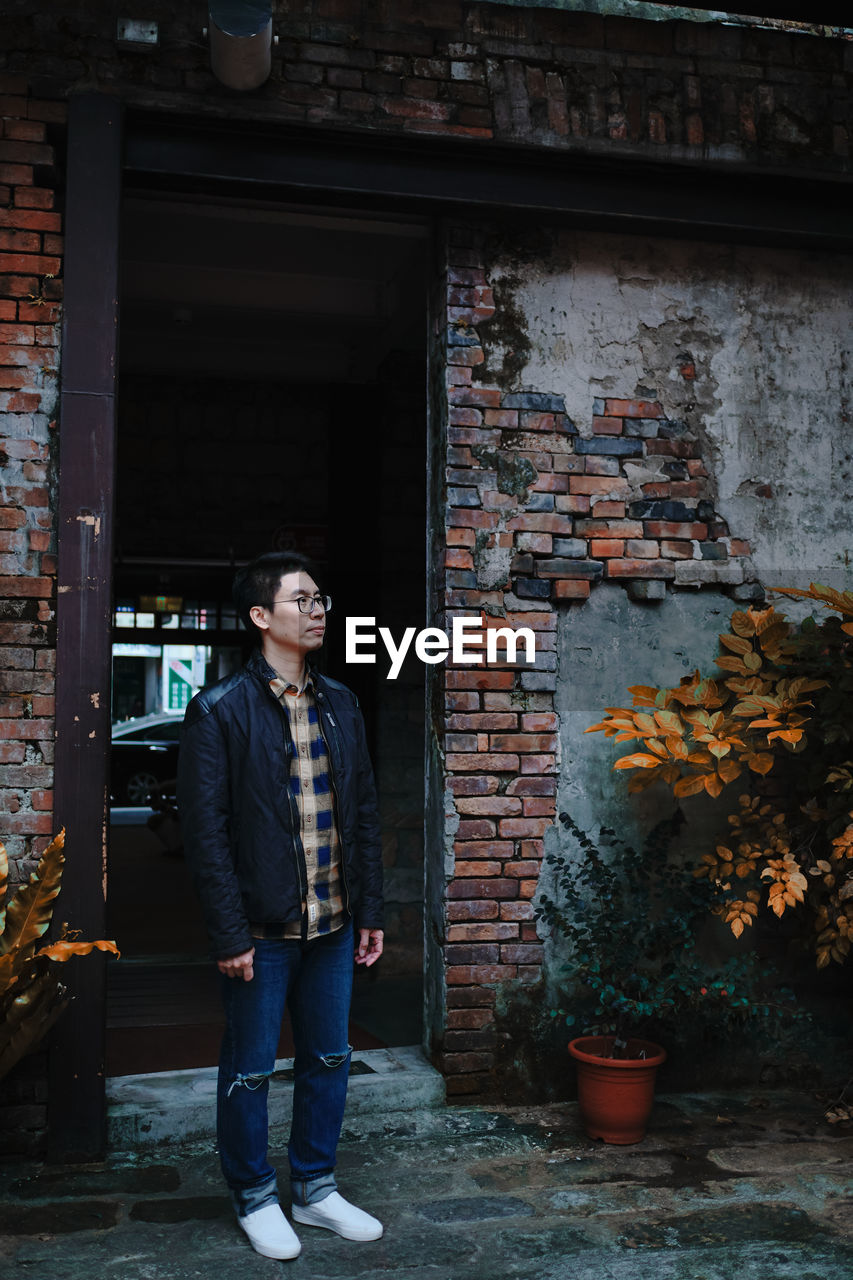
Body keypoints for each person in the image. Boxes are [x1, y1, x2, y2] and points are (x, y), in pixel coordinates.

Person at [178, 550, 384, 1261]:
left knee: (329, 1058)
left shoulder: (343, 703)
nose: (318, 608)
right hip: (259, 933)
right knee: (250, 1070)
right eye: (302, 599)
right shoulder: (218, 711)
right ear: (261, 616)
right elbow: (206, 835)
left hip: (332, 926)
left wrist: (372, 911)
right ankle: (255, 1197)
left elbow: (361, 814)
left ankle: (316, 1189)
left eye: (320, 597)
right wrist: (229, 933)